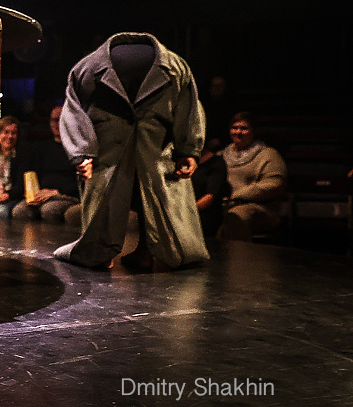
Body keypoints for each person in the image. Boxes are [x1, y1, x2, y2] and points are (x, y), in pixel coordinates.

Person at [53, 32, 209, 270]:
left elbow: (188, 108)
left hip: (149, 152)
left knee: (155, 201)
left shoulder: (173, 67)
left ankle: (138, 252)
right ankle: (103, 251)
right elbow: (74, 111)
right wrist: (82, 150)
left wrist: (189, 149)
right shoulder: (90, 68)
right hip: (119, 154)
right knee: (109, 202)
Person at [218, 112, 287, 241]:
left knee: (235, 216)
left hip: (258, 207)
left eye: (244, 128)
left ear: (253, 131)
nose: (238, 132)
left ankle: (239, 257)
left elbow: (275, 182)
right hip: (223, 205)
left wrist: (239, 195)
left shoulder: (267, 154)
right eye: (235, 128)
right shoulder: (221, 155)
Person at [11, 105, 80, 223]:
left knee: (49, 210)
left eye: (61, 119)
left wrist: (55, 192)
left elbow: (78, 181)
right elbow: (32, 173)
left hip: (64, 194)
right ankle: (29, 241)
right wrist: (32, 194)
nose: (57, 124)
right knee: (19, 211)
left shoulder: (75, 149)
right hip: (42, 195)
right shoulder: (42, 148)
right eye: (54, 120)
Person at [192, 139, 230, 237]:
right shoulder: (181, 160)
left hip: (205, 213)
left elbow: (210, 197)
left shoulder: (216, 163)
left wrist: (188, 211)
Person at [0, 116, 24, 220]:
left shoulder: (22, 156)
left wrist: (7, 195)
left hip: (10, 198)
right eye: (6, 132)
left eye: (13, 133)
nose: (10, 136)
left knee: (0, 212)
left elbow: (21, 186)